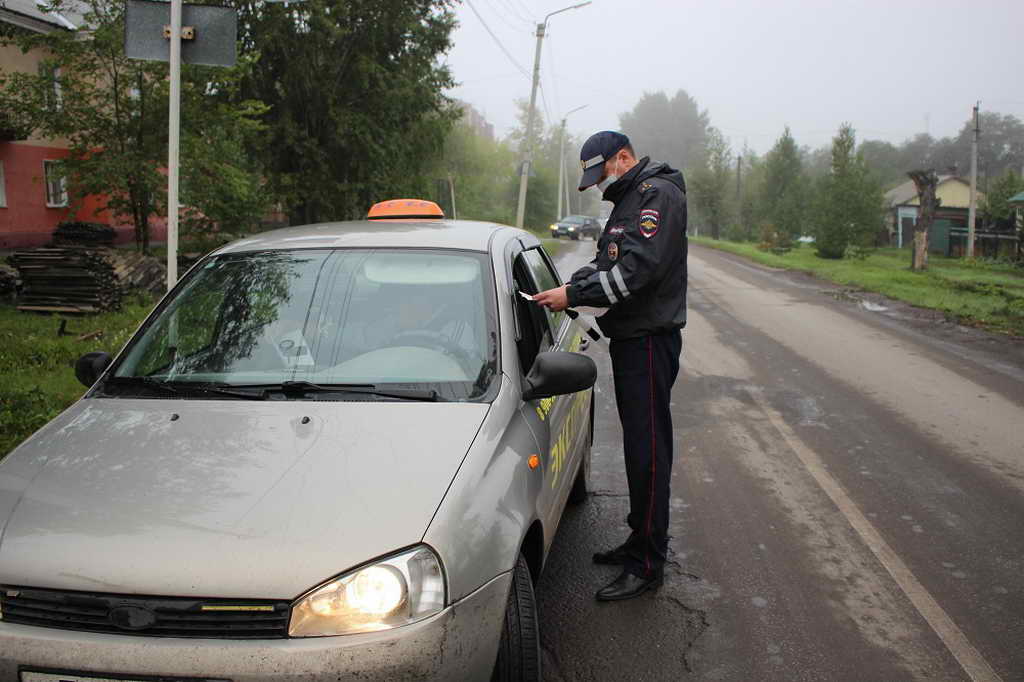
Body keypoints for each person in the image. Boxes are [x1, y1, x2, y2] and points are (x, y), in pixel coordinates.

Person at [533, 131, 688, 601]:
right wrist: (573, 284)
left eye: (601, 174)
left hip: (648, 341)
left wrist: (575, 295)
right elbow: (607, 262)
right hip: (631, 338)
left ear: (623, 157)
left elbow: (636, 272)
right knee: (638, 451)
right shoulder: (626, 200)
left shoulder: (655, 195)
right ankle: (638, 541)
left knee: (649, 453)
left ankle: (647, 565)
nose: (599, 185)